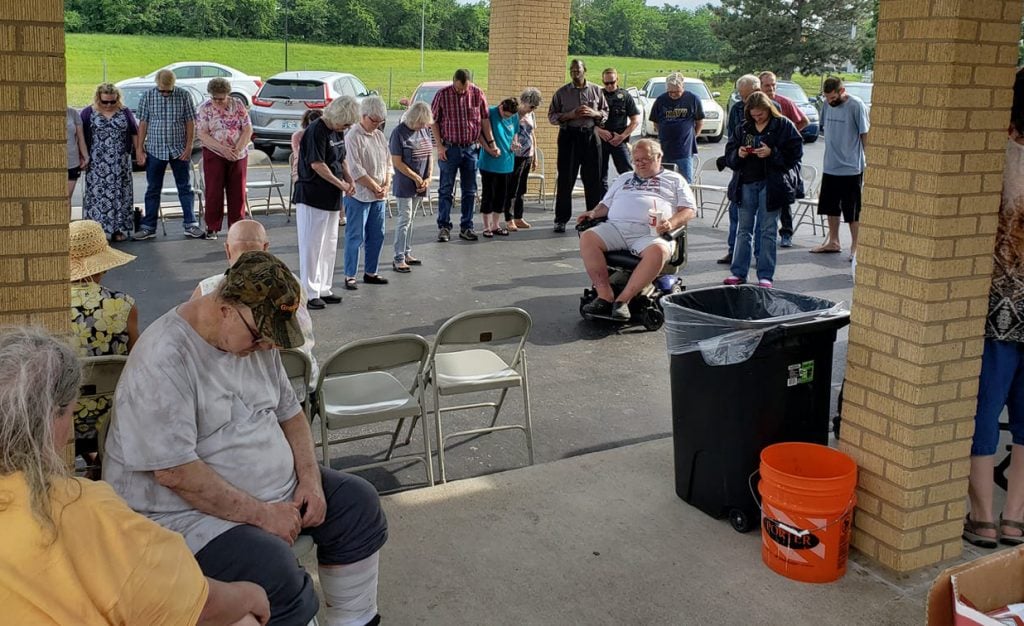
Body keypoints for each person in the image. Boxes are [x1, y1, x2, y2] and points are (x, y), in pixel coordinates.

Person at [103, 251, 389, 626]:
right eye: (259, 338)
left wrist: (310, 479)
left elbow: (291, 414)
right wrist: (263, 515)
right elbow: (175, 473)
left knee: (357, 505)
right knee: (275, 572)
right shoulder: (163, 357)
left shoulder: (254, 337)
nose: (266, 347)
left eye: (273, 340)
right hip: (182, 517)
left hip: (272, 495)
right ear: (224, 307)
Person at [0, 327, 270, 625]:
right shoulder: (82, 507)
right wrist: (250, 594)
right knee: (243, 619)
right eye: (70, 415)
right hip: (184, 570)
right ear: (53, 419)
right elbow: (193, 604)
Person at [964, 80, 1024, 549]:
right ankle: (1015, 518)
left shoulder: (995, 149)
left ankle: (982, 516)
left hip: (997, 306)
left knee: (985, 408)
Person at [191, 220, 319, 397]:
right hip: (299, 383)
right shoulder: (292, 282)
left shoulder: (208, 290)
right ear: (265, 247)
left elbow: (192, 347)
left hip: (241, 395)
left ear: (227, 250)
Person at [577, 139, 697, 321]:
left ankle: (623, 301)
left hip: (651, 233)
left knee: (659, 250)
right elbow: (605, 205)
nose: (639, 164)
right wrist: (593, 213)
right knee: (588, 238)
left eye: (645, 159)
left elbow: (689, 210)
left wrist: (671, 223)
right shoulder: (624, 178)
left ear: (658, 157)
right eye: (636, 160)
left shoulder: (675, 180)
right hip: (617, 228)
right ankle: (605, 296)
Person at [69, 219, 140, 475]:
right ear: (103, 266)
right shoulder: (123, 306)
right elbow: (139, 363)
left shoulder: (49, 306)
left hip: (59, 413)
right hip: (108, 419)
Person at [723, 92, 803, 288]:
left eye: (761, 115)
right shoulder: (743, 127)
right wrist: (739, 153)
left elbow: (795, 155)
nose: (758, 118)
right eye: (754, 115)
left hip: (772, 183)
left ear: (769, 109)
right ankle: (738, 272)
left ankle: (765, 275)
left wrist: (772, 153)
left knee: (767, 230)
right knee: (744, 229)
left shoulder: (783, 125)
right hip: (746, 182)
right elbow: (729, 153)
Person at [293, 96, 359, 310]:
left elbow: (342, 158)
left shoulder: (338, 130)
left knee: (329, 243)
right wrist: (341, 183)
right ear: (337, 116)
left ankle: (324, 287)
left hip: (332, 195)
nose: (346, 128)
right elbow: (317, 164)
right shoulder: (316, 130)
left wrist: (349, 178)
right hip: (312, 194)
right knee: (312, 245)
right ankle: (310, 291)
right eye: (346, 124)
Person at [134, 69, 203, 241]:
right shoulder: (148, 96)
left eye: (168, 90)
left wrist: (188, 147)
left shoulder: (184, 95)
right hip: (156, 149)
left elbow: (190, 122)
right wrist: (139, 149)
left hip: (179, 149)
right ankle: (148, 227)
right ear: (157, 84)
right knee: (153, 189)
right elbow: (143, 123)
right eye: (162, 90)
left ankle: (190, 224)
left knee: (185, 187)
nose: (165, 93)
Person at [430, 69, 497, 243]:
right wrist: (439, 146)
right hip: (450, 148)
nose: (461, 92)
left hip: (470, 149)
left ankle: (467, 226)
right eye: (459, 89)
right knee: (446, 189)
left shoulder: (477, 93)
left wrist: (491, 143)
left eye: (464, 89)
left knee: (470, 190)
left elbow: (484, 120)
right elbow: (434, 121)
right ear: (454, 81)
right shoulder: (442, 95)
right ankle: (444, 226)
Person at [810, 77, 869, 257]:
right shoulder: (827, 105)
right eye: (827, 97)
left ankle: (855, 248)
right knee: (830, 206)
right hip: (831, 165)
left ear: (842, 91)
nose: (829, 101)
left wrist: (868, 160)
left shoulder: (856, 105)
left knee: (852, 210)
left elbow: (864, 134)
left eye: (833, 97)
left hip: (851, 167)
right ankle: (833, 242)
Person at [548, 59, 608, 232]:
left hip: (590, 135)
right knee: (566, 179)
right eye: (572, 71)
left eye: (578, 70)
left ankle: (593, 218)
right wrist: (570, 114)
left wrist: (594, 113)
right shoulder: (562, 92)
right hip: (569, 136)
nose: (575, 73)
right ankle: (561, 219)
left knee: (593, 180)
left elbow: (605, 112)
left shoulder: (596, 90)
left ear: (585, 70)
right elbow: (552, 116)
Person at [343, 96, 392, 289]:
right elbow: (355, 170)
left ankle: (371, 271)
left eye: (381, 122)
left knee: (377, 234)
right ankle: (350, 274)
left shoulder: (379, 136)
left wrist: (386, 185)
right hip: (360, 195)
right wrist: (375, 187)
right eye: (374, 121)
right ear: (363, 116)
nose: (377, 125)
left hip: (379, 195)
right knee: (355, 236)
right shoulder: (352, 136)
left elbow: (388, 163)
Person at [197, 77, 253, 240]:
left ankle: (237, 228)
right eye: (214, 98)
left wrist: (238, 148)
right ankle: (212, 227)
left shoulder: (238, 104)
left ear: (228, 95)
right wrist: (223, 149)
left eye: (221, 98)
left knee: (237, 191)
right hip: (215, 152)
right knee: (214, 190)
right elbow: (202, 134)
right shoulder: (205, 108)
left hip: (238, 153)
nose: (218, 101)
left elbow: (247, 127)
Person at [81, 83, 139, 242]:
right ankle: (96, 231)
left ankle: (117, 229)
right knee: (97, 197)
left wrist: (139, 151)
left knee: (120, 195)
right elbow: (80, 136)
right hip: (97, 163)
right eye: (104, 102)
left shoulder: (124, 112)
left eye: (112, 102)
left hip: (120, 162)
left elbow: (134, 132)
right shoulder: (88, 112)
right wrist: (83, 156)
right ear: (98, 98)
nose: (108, 105)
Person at [759, 71, 808, 248]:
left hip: (781, 162)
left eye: (773, 85)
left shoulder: (784, 103)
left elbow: (804, 121)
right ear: (760, 86)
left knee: (783, 198)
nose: (771, 88)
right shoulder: (755, 103)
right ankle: (760, 236)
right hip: (760, 162)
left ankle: (786, 233)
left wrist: (786, 139)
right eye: (767, 85)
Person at [719, 74, 762, 265]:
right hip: (741, 170)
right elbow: (731, 140)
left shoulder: (773, 110)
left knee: (761, 221)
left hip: (762, 172)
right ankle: (733, 251)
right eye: (742, 96)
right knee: (736, 214)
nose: (745, 102)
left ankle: (759, 255)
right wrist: (736, 154)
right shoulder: (737, 108)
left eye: (748, 97)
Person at [389, 101, 433, 272]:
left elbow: (430, 155)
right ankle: (398, 256)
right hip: (405, 183)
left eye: (425, 123)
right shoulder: (398, 133)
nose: (423, 126)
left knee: (411, 218)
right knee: (404, 218)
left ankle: (407, 252)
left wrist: (428, 177)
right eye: (421, 122)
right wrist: (415, 177)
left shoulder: (424, 130)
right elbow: (397, 162)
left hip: (421, 183)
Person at [649, 72, 704, 184]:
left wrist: (693, 136)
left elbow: (699, 121)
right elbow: (656, 122)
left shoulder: (693, 99)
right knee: (663, 182)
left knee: (685, 182)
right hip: (664, 149)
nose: (673, 94)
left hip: (684, 150)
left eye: (677, 92)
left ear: (683, 87)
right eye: (670, 92)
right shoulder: (660, 100)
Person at [478, 97, 520, 237]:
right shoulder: (490, 113)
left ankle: (496, 225)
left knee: (501, 196)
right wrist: (489, 149)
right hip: (489, 162)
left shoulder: (514, 117)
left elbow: (514, 134)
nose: (506, 117)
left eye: (509, 116)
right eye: (505, 114)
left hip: (507, 162)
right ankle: (486, 226)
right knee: (488, 194)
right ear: (501, 106)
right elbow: (479, 134)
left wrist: (515, 144)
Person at [597, 68, 641, 193]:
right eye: (606, 83)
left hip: (619, 140)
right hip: (601, 140)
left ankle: (630, 198)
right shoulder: (597, 95)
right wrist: (599, 131)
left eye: (612, 82)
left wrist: (622, 136)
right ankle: (603, 204)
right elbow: (587, 120)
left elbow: (635, 120)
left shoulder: (625, 96)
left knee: (627, 173)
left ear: (617, 80)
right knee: (599, 175)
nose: (609, 86)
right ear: (603, 81)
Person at [504, 87, 542, 231]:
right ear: (524, 102)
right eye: (531, 106)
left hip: (528, 154)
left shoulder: (531, 115)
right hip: (516, 155)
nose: (532, 109)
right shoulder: (514, 115)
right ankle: (509, 218)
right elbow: (508, 133)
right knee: (512, 187)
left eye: (535, 107)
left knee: (522, 188)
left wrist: (535, 156)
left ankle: (519, 216)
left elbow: (532, 134)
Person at [66, 105, 89, 212]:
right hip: (50, 164)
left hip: (71, 162)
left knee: (66, 199)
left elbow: (80, 138)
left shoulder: (72, 112)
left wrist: (85, 156)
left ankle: (67, 227)